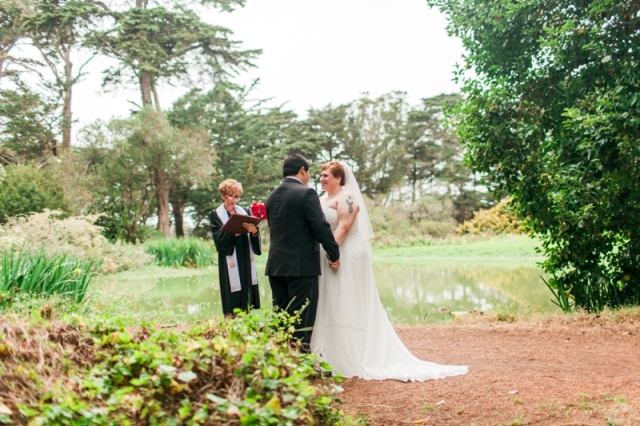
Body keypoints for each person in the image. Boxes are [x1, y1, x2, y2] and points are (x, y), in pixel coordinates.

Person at [310, 161, 468, 381]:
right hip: (331, 252)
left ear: (339, 178)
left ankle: (353, 353)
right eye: (321, 175)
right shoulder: (321, 199)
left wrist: (331, 253)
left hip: (347, 253)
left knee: (347, 298)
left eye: (326, 175)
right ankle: (329, 353)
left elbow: (344, 227)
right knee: (331, 300)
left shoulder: (348, 198)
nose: (322, 178)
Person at [265, 154, 340, 350]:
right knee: (302, 316)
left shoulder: (272, 196)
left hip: (275, 266)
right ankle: (301, 361)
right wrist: (334, 253)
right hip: (301, 266)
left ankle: (281, 359)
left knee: (281, 315)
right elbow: (320, 226)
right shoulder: (306, 193)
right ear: (302, 170)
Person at [210, 179, 261, 316]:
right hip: (229, 255)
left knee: (246, 284)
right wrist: (234, 231)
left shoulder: (244, 211)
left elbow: (255, 232)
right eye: (230, 195)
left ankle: (246, 314)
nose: (233, 199)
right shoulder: (215, 214)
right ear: (223, 195)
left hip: (244, 253)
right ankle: (230, 317)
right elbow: (219, 239)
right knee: (231, 287)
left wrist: (254, 232)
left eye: (236, 196)